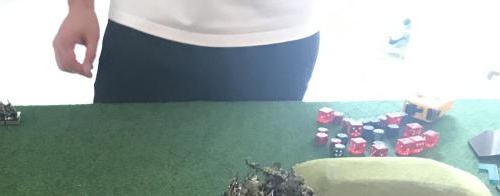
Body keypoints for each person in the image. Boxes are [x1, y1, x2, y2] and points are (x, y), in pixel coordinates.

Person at [53, 0, 319, 103]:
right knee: (116, 169)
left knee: (266, 183)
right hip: (145, 27)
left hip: (276, 39)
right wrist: (81, 7)